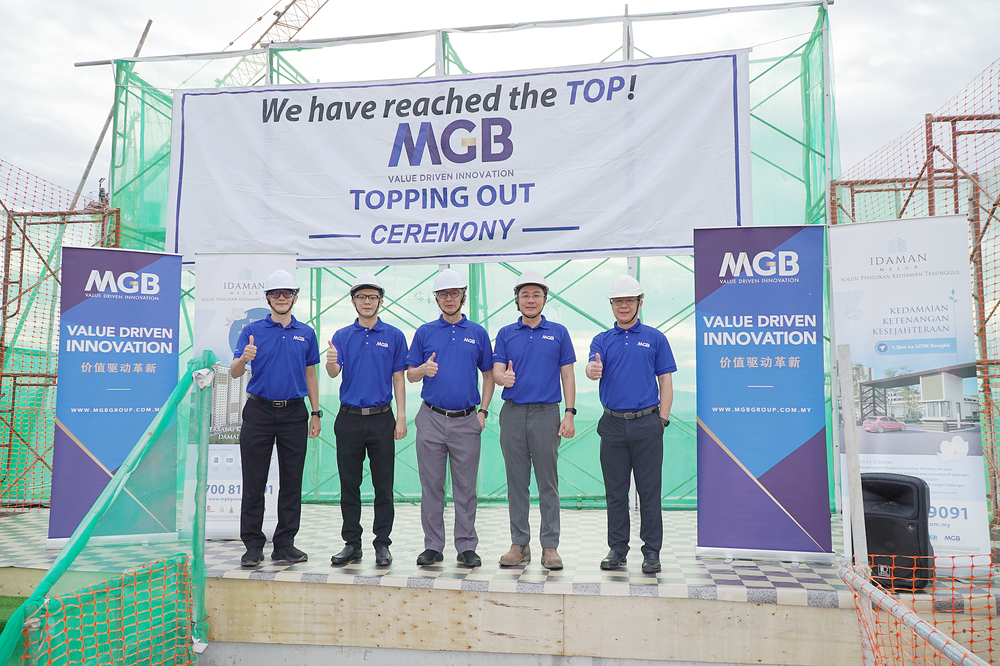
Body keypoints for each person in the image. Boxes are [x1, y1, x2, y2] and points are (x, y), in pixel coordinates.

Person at [585, 275, 676, 574]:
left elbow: (665, 381)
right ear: (611, 305)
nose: (623, 306)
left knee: (649, 491)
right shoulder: (602, 340)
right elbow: (591, 368)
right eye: (618, 301)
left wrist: (662, 419)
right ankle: (617, 549)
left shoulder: (655, 337)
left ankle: (652, 552)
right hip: (612, 424)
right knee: (616, 491)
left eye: (629, 300)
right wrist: (591, 370)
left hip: (647, 423)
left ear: (640, 302)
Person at [231, 269, 322, 567]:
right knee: (254, 480)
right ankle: (253, 545)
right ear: (267, 298)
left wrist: (316, 412)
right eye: (275, 294)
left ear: (295, 297)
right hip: (258, 411)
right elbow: (234, 371)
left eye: (287, 293)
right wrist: (244, 358)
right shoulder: (252, 330)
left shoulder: (306, 333)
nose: (281, 298)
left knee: (292, 481)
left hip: (295, 412)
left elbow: (311, 374)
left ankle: (285, 543)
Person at [406, 268, 495, 568]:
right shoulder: (425, 332)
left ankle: (466, 545)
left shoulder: (478, 333)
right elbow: (410, 374)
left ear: (463, 297)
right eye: (443, 294)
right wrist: (423, 371)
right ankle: (433, 546)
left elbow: (488, 375)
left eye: (453, 293)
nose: (448, 299)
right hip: (430, 417)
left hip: (467, 420)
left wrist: (482, 412)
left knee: (465, 487)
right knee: (431, 486)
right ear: (436, 299)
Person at [492, 270, 576, 570]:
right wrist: (505, 377)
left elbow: (567, 374)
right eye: (525, 295)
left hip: (546, 414)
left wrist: (569, 412)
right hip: (512, 413)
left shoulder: (559, 332)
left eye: (536, 294)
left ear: (544, 299)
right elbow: (497, 371)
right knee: (516, 483)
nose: (530, 300)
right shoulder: (505, 333)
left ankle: (550, 546)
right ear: (517, 300)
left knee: (547, 483)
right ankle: (519, 544)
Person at [327, 274, 407, 568]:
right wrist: (331, 359)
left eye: (372, 297)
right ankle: (352, 544)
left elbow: (399, 378)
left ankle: (382, 544)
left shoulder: (394, 336)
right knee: (350, 485)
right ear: (353, 302)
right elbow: (333, 373)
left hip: (381, 418)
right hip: (348, 419)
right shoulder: (342, 335)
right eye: (362, 297)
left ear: (380, 302)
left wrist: (401, 418)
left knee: (383, 486)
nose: (367, 302)